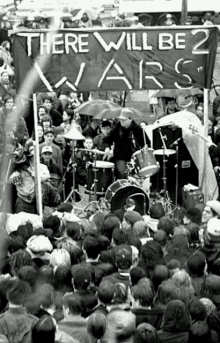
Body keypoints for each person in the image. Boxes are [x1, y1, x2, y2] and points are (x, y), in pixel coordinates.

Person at [103, 108, 151, 179]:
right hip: (120, 156)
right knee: (122, 173)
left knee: (138, 175)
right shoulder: (116, 128)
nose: (121, 121)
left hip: (135, 157)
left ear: (130, 119)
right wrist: (107, 148)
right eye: (120, 119)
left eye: (124, 120)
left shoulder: (138, 130)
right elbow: (106, 140)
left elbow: (147, 143)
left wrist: (145, 148)